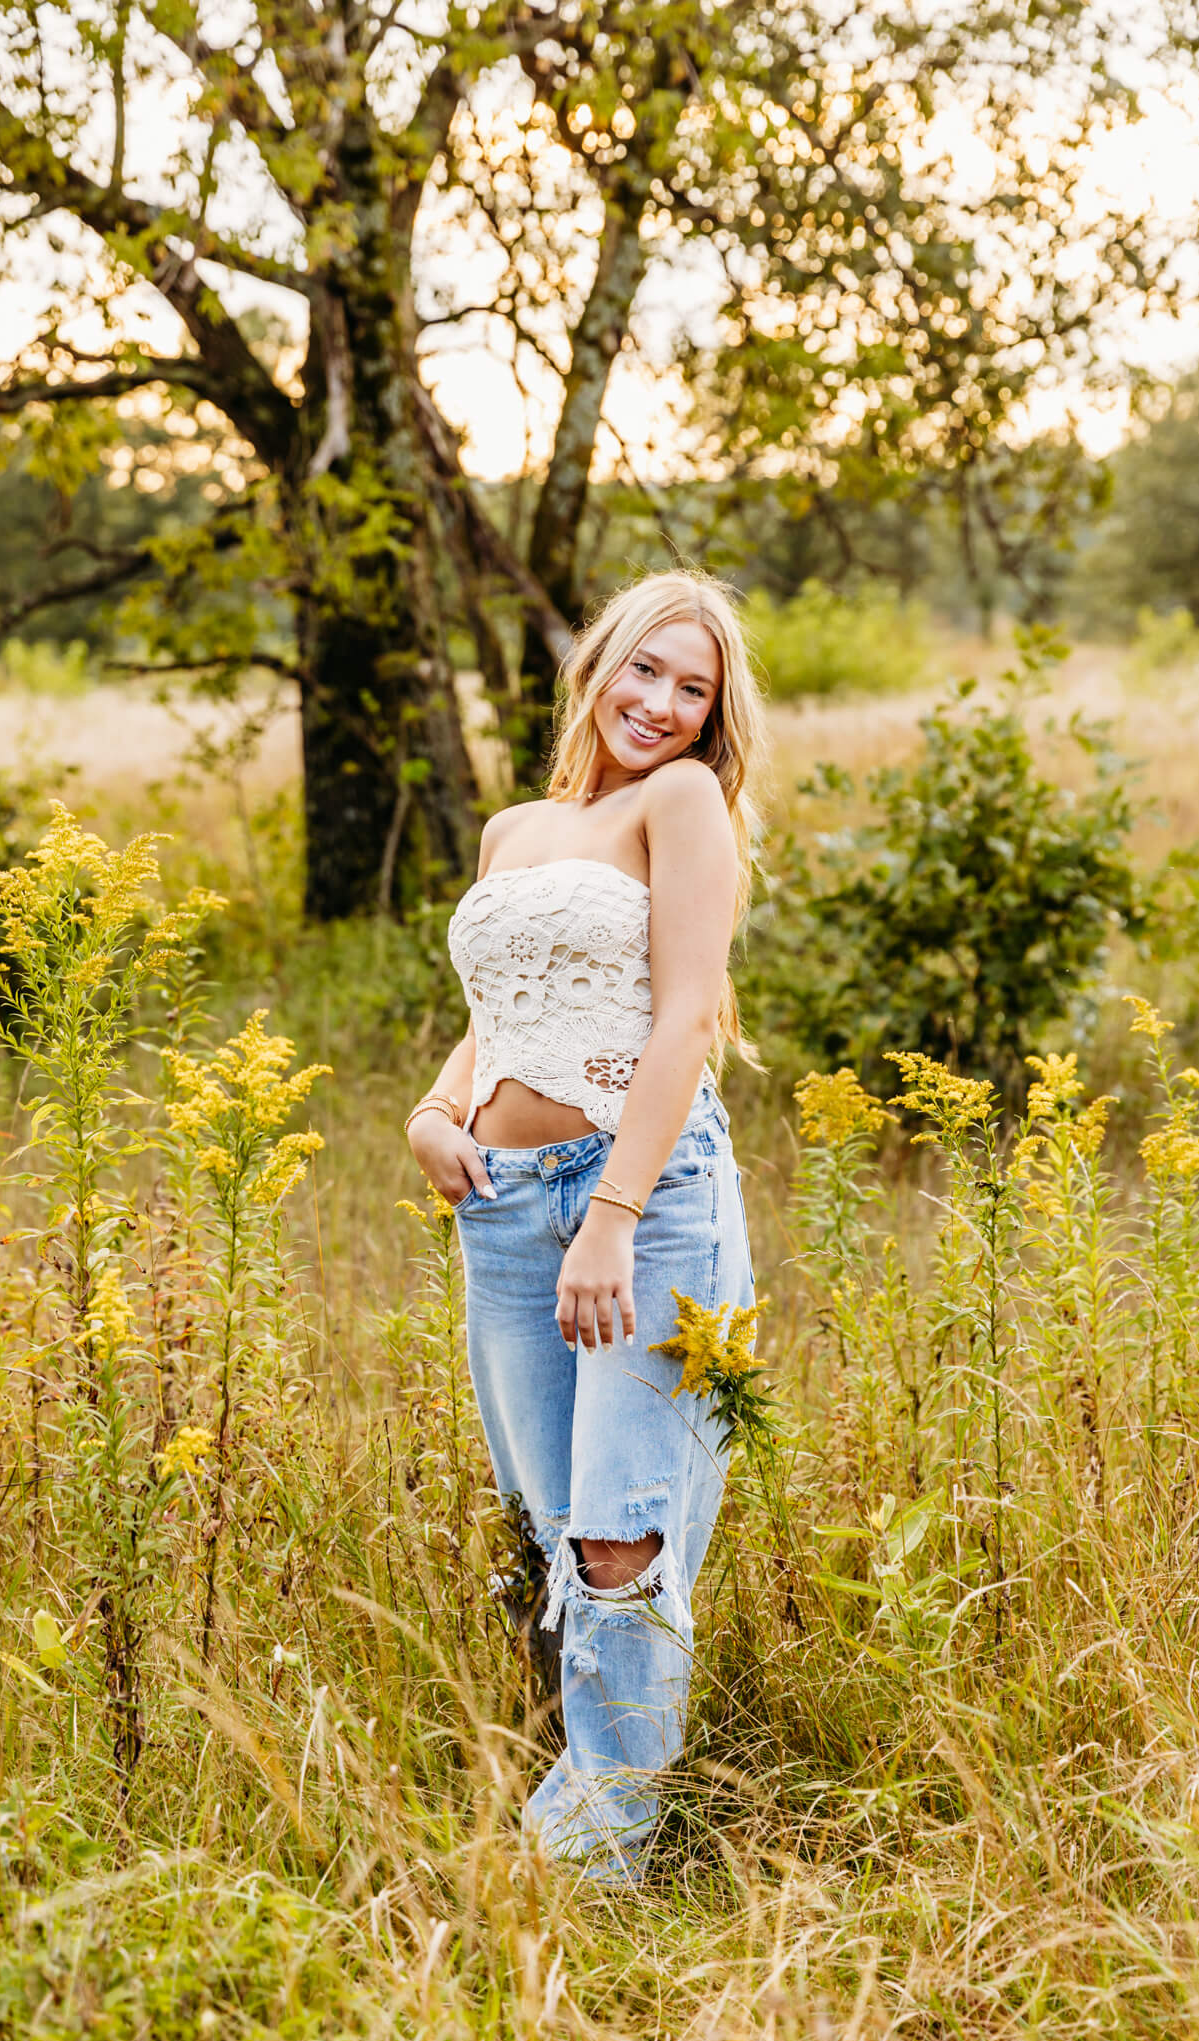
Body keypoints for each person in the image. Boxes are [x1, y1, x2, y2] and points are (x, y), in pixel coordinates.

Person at [405, 569, 764, 1885]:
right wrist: (434, 1110)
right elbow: (499, 1007)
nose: (661, 706)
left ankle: (573, 1878)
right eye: (644, 671)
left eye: (693, 688)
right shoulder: (516, 829)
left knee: (622, 1530)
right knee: (555, 1528)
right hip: (502, 1214)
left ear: (713, 717)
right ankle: (590, 1814)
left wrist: (609, 1217)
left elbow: (683, 1016)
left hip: (642, 1198)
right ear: (595, 666)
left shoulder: (681, 805)